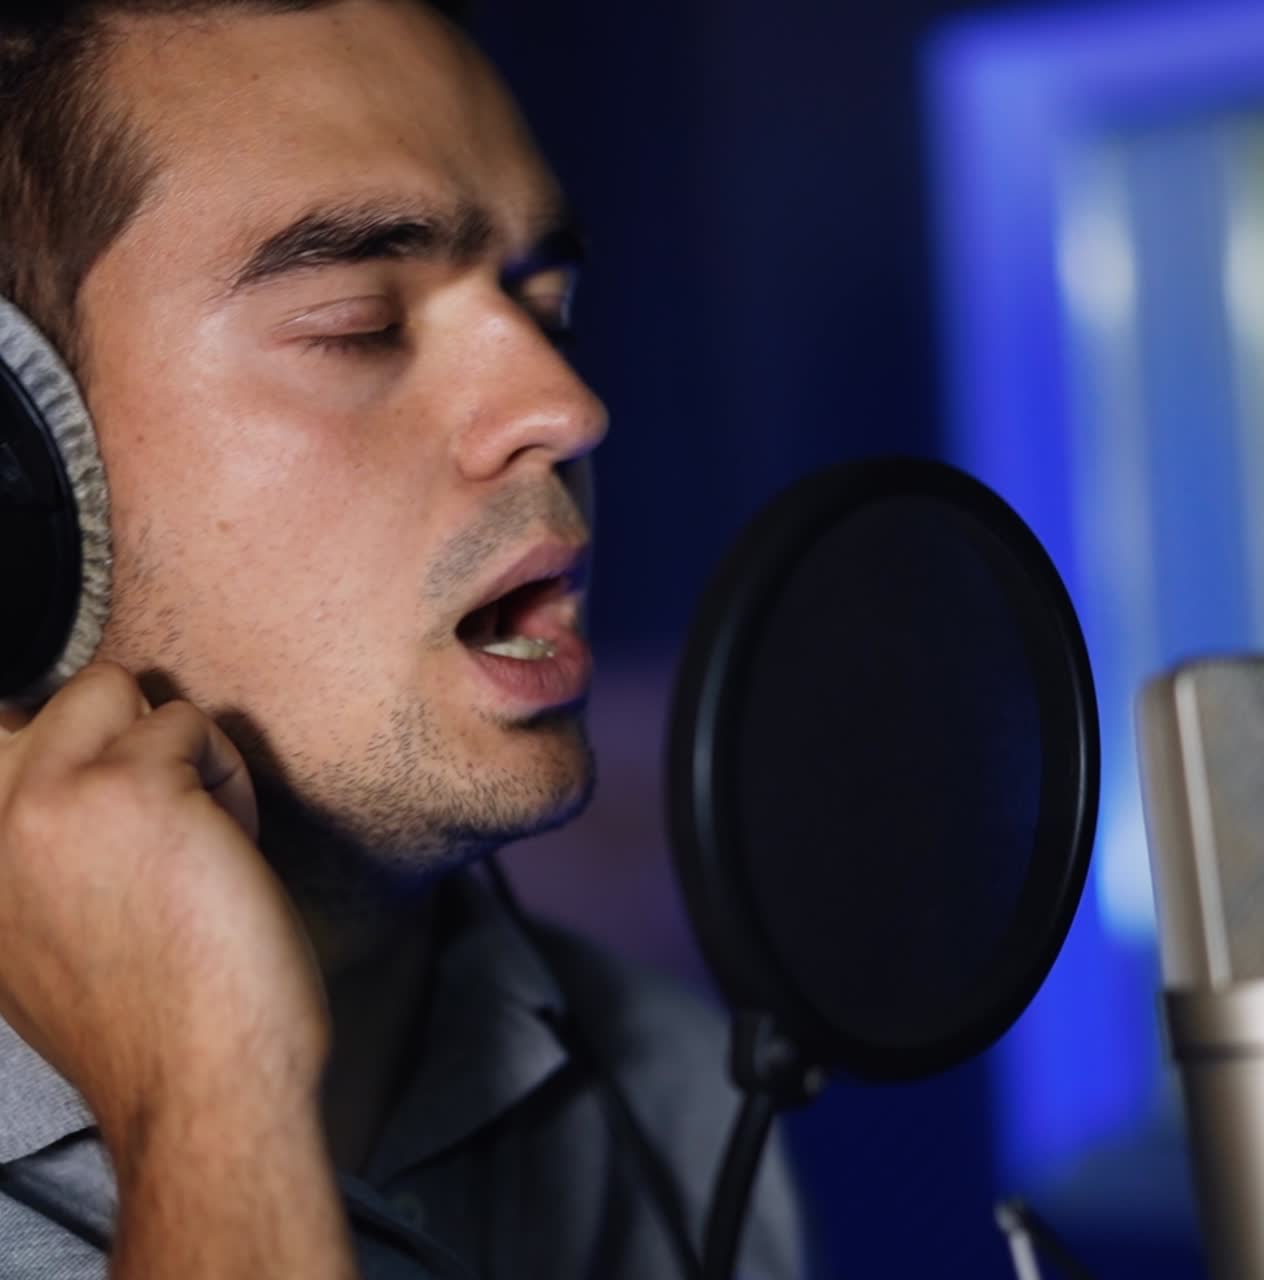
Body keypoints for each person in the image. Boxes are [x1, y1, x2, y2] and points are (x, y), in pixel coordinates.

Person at [0, 1, 801, 1277]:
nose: (566, 404)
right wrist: (207, 1096)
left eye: (551, 310)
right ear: (19, 469)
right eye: (361, 320)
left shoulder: (676, 1091)